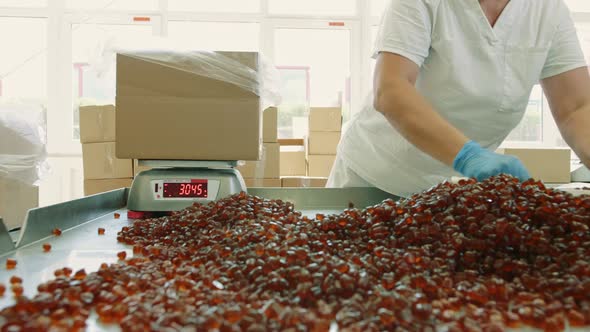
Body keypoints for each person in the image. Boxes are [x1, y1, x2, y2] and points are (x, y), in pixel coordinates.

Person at [327, 0, 590, 197]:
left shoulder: (548, 10)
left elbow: (576, 108)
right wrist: (469, 156)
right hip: (375, 176)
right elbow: (391, 89)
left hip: (451, 191)